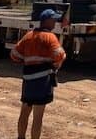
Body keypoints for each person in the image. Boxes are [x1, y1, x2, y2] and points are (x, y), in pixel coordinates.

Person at [11, 8, 66, 139]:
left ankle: (20, 137)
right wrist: (56, 65)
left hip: (28, 80)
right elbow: (60, 55)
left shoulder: (28, 36)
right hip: (43, 81)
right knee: (38, 116)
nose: (55, 23)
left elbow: (14, 54)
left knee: (24, 111)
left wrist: (25, 60)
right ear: (47, 21)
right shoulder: (50, 37)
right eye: (54, 20)